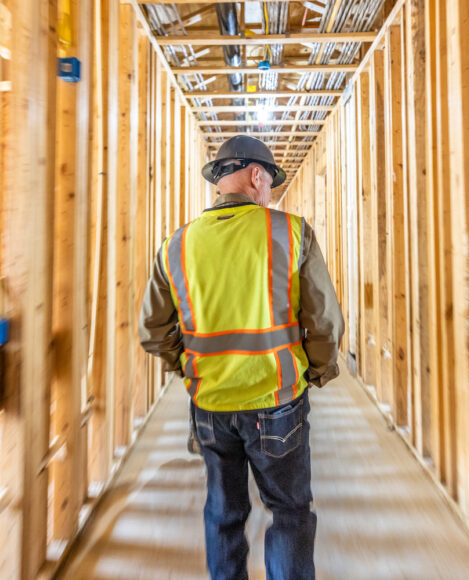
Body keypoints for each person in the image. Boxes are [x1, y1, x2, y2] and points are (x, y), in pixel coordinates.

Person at [139, 135, 344, 580]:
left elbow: (153, 331)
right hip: (278, 401)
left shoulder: (177, 245)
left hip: (211, 406)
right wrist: (319, 371)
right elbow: (325, 322)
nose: (268, 192)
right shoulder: (291, 232)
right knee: (289, 512)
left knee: (224, 513)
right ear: (256, 175)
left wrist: (190, 367)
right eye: (269, 181)